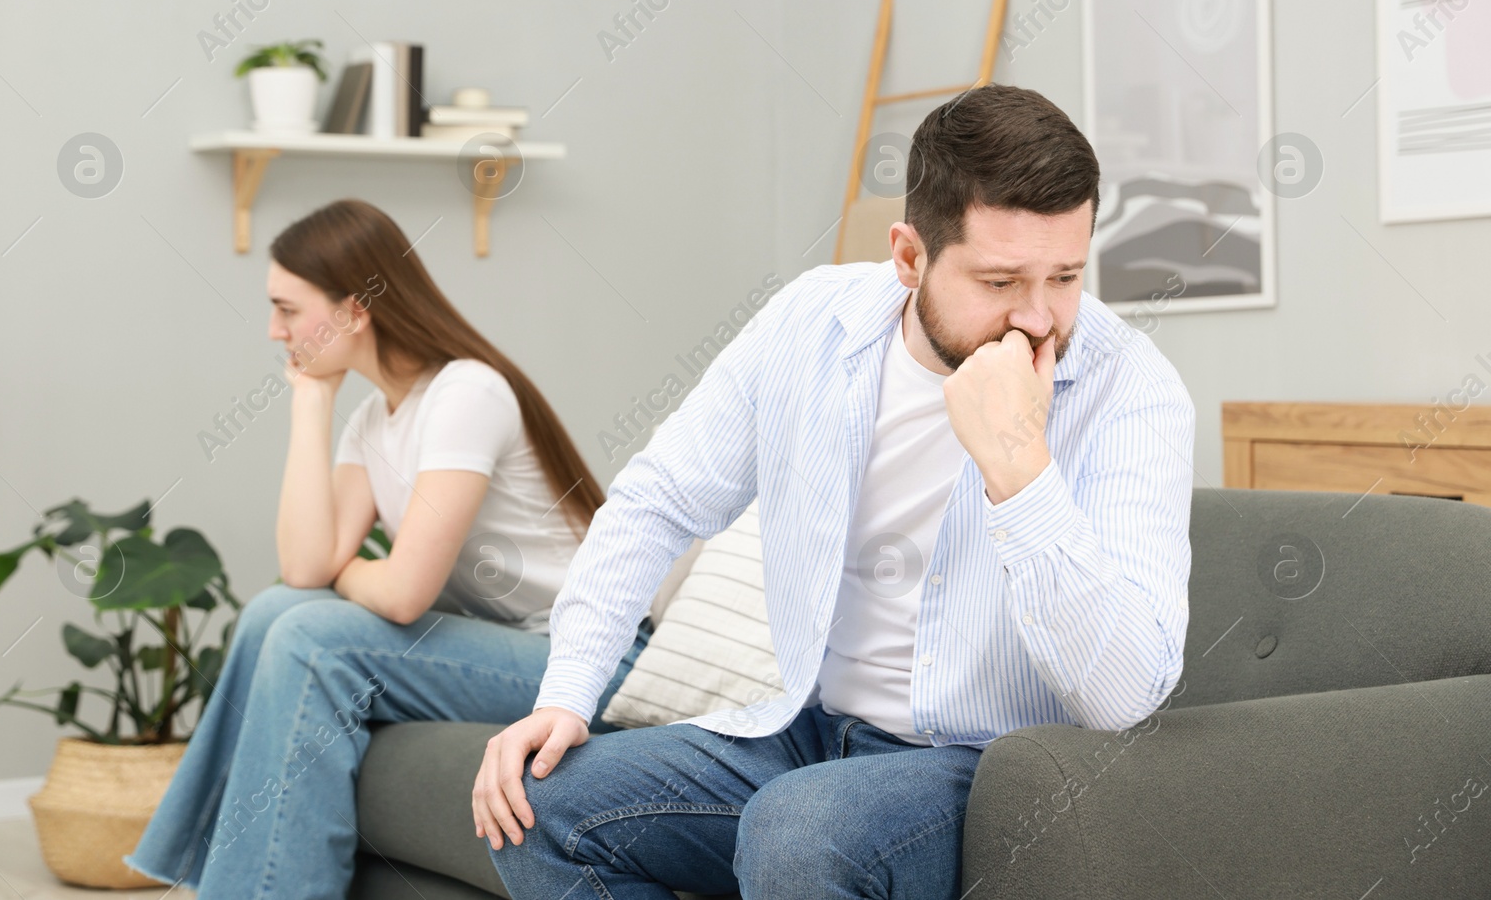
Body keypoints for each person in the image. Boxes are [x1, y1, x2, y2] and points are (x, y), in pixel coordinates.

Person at [472, 85, 1197, 899]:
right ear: (910, 256)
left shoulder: (1131, 390)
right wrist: (566, 692)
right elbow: (658, 499)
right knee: (532, 801)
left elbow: (1126, 695)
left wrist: (1020, 467)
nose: (1038, 319)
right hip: (802, 730)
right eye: (1000, 282)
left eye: (1065, 276)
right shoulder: (810, 326)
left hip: (987, 767)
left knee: (802, 829)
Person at [123, 199, 651, 898]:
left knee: (314, 638)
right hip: (507, 648)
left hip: (590, 663)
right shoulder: (374, 418)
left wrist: (348, 570)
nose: (273, 329)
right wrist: (310, 400)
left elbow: (405, 592)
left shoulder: (467, 392)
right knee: (272, 611)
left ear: (354, 310)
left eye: (287, 308)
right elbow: (307, 568)